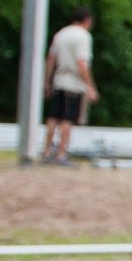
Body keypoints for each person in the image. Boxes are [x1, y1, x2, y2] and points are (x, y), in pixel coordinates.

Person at [40, 8, 97, 166]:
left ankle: (46, 152)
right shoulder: (83, 36)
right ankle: (61, 154)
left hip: (59, 80)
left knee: (53, 117)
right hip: (74, 83)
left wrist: (47, 82)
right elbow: (82, 62)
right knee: (68, 119)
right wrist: (90, 86)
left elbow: (51, 59)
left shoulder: (61, 34)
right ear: (86, 20)